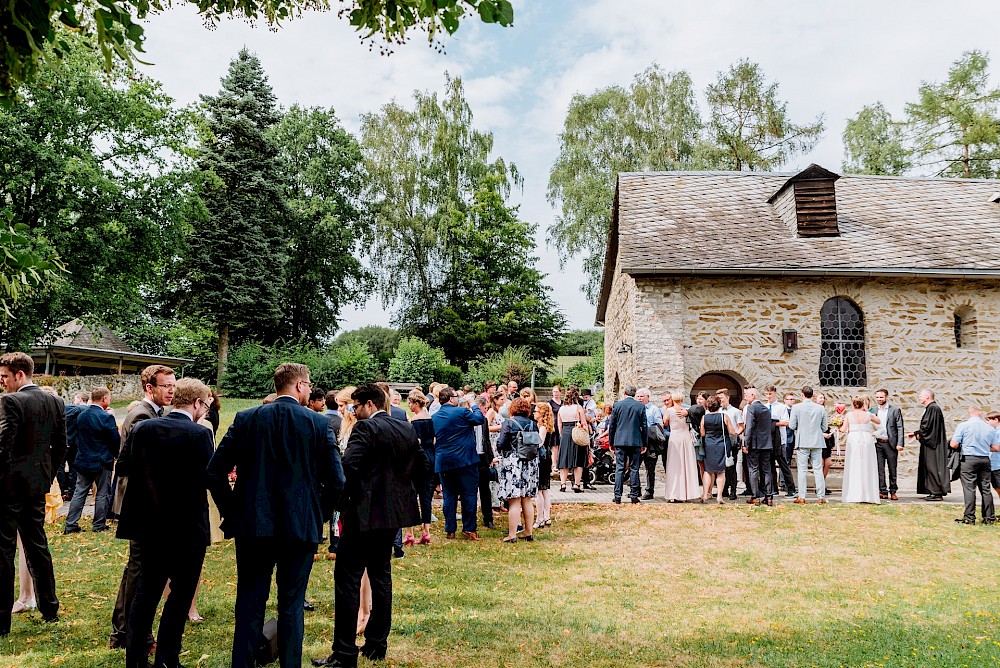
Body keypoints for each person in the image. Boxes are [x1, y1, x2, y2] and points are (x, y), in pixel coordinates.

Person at [208, 363, 345, 668]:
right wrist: (318, 514)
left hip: (253, 525)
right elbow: (337, 480)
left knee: (249, 602)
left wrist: (233, 511)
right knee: (292, 605)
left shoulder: (247, 419)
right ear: (298, 386)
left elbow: (215, 470)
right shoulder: (316, 423)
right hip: (297, 526)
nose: (310, 389)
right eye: (308, 384)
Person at [312, 384, 428, 668]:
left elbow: (347, 468)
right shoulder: (405, 428)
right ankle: (377, 644)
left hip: (364, 513)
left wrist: (342, 499)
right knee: (380, 574)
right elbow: (423, 466)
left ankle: (344, 652)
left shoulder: (365, 429)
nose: (352, 411)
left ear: (369, 404)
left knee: (348, 578)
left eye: (355, 406)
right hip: (392, 515)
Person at [117, 378, 216, 668]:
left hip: (150, 523)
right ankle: (167, 658)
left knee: (145, 594)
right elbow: (211, 478)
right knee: (180, 595)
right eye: (206, 405)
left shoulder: (143, 428)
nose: (206, 411)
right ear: (197, 403)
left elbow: (123, 466)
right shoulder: (199, 435)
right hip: (187, 527)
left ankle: (135, 660)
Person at [109, 364, 175, 650]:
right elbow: (132, 463)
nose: (171, 390)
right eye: (165, 385)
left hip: (143, 501)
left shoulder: (155, 414)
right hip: (139, 502)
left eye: (173, 385)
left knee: (138, 566)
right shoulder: (141, 415)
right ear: (150, 388)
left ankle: (125, 631)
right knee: (139, 568)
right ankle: (129, 633)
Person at [0, 352, 65, 636]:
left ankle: (2, 621)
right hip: (37, 485)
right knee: (37, 545)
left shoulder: (11, 401)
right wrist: (46, 478)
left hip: (8, 487)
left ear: (20, 375)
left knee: (3, 551)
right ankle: (49, 606)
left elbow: (3, 446)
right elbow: (61, 447)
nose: (2, 383)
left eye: (4, 377)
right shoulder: (56, 401)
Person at [431, 386, 486, 541]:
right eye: (456, 396)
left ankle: (450, 529)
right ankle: (469, 529)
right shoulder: (462, 412)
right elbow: (479, 419)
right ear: (451, 399)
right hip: (465, 460)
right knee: (469, 494)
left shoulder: (434, 417)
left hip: (444, 461)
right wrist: (473, 403)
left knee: (449, 495)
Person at [62, 387, 119, 534]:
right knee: (102, 493)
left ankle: (71, 523)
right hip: (101, 460)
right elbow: (114, 440)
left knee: (79, 492)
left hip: (83, 459)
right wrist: (115, 454)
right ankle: (99, 524)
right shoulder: (106, 417)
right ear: (104, 399)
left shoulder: (82, 415)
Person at [494, 398, 539, 544]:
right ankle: (528, 532)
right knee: (527, 499)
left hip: (514, 464)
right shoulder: (533, 424)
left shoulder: (509, 423)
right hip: (530, 464)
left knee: (514, 501)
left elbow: (501, 443)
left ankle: (512, 534)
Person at [949, 406, 998, 525]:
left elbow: (954, 444)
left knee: (969, 488)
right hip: (985, 459)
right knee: (986, 488)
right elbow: (996, 448)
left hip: (969, 459)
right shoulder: (989, 428)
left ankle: (969, 517)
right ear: (980, 414)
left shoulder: (963, 426)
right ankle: (989, 517)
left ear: (969, 414)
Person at [404, 390, 435, 546]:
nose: (409, 406)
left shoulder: (415, 421)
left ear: (416, 403)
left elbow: (415, 442)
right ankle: (426, 531)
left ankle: (409, 532)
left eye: (409, 403)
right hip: (431, 457)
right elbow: (434, 440)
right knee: (426, 495)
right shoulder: (430, 419)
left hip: (418, 460)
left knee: (411, 494)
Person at [789, 387, 828, 504]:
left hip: (803, 441)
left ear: (802, 395)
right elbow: (825, 427)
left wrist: (800, 427)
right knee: (818, 469)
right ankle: (821, 497)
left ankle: (802, 496)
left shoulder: (796, 408)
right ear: (813, 396)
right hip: (817, 441)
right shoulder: (820, 408)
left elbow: (791, 425)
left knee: (802, 470)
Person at [608, 385, 647, 504]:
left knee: (619, 468)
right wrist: (644, 443)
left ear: (624, 393)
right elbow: (644, 426)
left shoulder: (617, 405)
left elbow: (612, 425)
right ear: (634, 395)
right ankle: (634, 495)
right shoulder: (640, 406)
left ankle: (617, 495)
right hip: (635, 441)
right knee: (634, 468)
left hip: (620, 440)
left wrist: (611, 442)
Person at [840, 396, 881, 504]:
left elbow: (843, 429)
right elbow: (878, 421)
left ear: (853, 405)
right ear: (863, 404)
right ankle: (868, 495)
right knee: (867, 465)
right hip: (866, 439)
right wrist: (866, 411)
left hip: (853, 440)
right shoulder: (868, 415)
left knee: (854, 465)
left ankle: (854, 494)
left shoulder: (849, 415)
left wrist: (838, 423)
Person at [911, 389, 950, 501]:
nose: (919, 397)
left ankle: (936, 492)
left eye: (920, 396)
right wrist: (916, 433)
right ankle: (932, 491)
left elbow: (928, 426)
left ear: (927, 396)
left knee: (933, 467)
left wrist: (920, 435)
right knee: (929, 467)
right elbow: (927, 425)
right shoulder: (931, 408)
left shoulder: (933, 408)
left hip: (933, 444)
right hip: (931, 442)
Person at [663, 391, 700, 502]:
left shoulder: (669, 410)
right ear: (682, 400)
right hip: (686, 437)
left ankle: (674, 493)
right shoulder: (687, 411)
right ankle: (686, 494)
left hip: (675, 437)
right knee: (686, 464)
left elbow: (664, 423)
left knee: (674, 465)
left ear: (673, 400)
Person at [700, 395, 735, 504]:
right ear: (719, 405)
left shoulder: (704, 418)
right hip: (722, 445)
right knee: (721, 471)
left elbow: (702, 433)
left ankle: (705, 494)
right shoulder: (724, 416)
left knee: (708, 470)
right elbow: (732, 431)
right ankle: (719, 496)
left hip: (709, 445)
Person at [742, 388, 774, 506]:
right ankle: (769, 496)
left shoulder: (751, 408)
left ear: (753, 395)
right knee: (766, 469)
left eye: (746, 395)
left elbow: (749, 427)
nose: (745, 397)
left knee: (753, 469)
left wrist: (746, 443)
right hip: (766, 443)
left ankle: (755, 496)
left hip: (754, 444)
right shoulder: (766, 409)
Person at [873, 389, 905, 500]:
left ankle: (893, 491)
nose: (879, 399)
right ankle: (883, 491)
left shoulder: (895, 410)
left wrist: (900, 443)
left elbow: (900, 427)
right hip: (878, 443)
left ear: (886, 397)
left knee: (892, 469)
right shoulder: (872, 410)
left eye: (881, 397)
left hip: (891, 443)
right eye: (877, 397)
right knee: (879, 469)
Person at [556, 386, 589, 493]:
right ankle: (576, 484)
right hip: (576, 432)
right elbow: (584, 424)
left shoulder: (561, 408)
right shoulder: (578, 408)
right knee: (578, 460)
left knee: (564, 459)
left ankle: (563, 484)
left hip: (565, 433)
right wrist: (587, 436)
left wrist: (562, 434)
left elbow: (559, 424)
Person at [764, 385, 796, 497]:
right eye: (767, 394)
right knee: (770, 465)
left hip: (780, 440)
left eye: (770, 394)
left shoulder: (781, 407)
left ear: (775, 394)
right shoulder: (765, 407)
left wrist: (773, 423)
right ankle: (773, 489)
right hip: (768, 440)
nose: (768, 396)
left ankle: (791, 488)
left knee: (783, 464)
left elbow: (786, 422)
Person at [57, 391, 89, 501]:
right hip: (76, 443)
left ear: (79, 399)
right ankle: (72, 491)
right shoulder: (86, 411)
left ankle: (60, 492)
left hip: (66, 442)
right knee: (73, 468)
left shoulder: (70, 409)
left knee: (60, 466)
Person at [637, 389, 665, 500]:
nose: (639, 398)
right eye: (637, 396)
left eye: (641, 396)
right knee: (635, 467)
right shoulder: (636, 408)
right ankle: (636, 490)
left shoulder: (654, 410)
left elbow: (659, 425)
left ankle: (649, 491)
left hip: (650, 443)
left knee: (650, 468)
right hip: (638, 442)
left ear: (648, 397)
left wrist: (647, 430)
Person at [473, 395, 496, 531]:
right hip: (471, 458)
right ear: (480, 406)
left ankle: (488, 518)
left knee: (485, 489)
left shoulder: (484, 421)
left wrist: (491, 457)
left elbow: (486, 439)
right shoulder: (469, 419)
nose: (486, 411)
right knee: (470, 490)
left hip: (483, 458)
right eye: (485, 408)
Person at [717, 389, 744, 501]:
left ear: (727, 397)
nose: (720, 400)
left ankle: (733, 491)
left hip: (732, 442)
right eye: (718, 398)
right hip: (720, 441)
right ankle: (723, 490)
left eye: (721, 398)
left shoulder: (736, 411)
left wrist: (736, 435)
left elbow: (741, 426)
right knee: (722, 467)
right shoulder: (718, 410)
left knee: (731, 467)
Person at [534, 402, 555, 527]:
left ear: (541, 413)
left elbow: (539, 443)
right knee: (544, 490)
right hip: (546, 456)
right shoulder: (547, 426)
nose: (534, 413)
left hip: (541, 458)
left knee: (539, 490)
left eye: (536, 411)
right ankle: (547, 517)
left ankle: (540, 518)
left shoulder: (542, 427)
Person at [815, 392, 836, 479]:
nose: (822, 399)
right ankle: (819, 485)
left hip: (826, 440)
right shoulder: (814, 409)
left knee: (828, 463)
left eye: (823, 398)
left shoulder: (823, 409)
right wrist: (822, 434)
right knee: (820, 464)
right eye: (820, 397)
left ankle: (822, 482)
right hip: (817, 438)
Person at [986, 411, 1000, 502]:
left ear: (996, 420)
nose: (987, 423)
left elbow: (997, 448)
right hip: (993, 465)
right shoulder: (994, 432)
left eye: (988, 420)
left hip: (998, 464)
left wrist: (982, 447)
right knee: (996, 487)